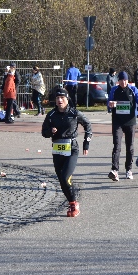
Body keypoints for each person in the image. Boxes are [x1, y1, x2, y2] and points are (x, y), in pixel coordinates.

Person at [41, 88, 92, 217]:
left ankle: (74, 203)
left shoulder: (74, 113)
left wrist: (86, 143)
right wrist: (50, 131)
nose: (59, 100)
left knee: (65, 177)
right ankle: (72, 202)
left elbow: (88, 125)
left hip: (72, 149)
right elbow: (44, 132)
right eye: (57, 98)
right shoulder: (51, 114)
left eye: (62, 98)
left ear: (67, 99)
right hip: (57, 150)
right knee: (62, 180)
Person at [107, 71, 138, 181]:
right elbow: (109, 103)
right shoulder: (114, 90)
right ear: (118, 81)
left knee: (130, 146)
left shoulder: (133, 90)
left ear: (128, 81)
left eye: (125, 80)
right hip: (117, 122)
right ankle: (114, 170)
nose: (123, 82)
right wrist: (110, 105)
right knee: (117, 145)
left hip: (130, 122)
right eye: (121, 80)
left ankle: (129, 169)